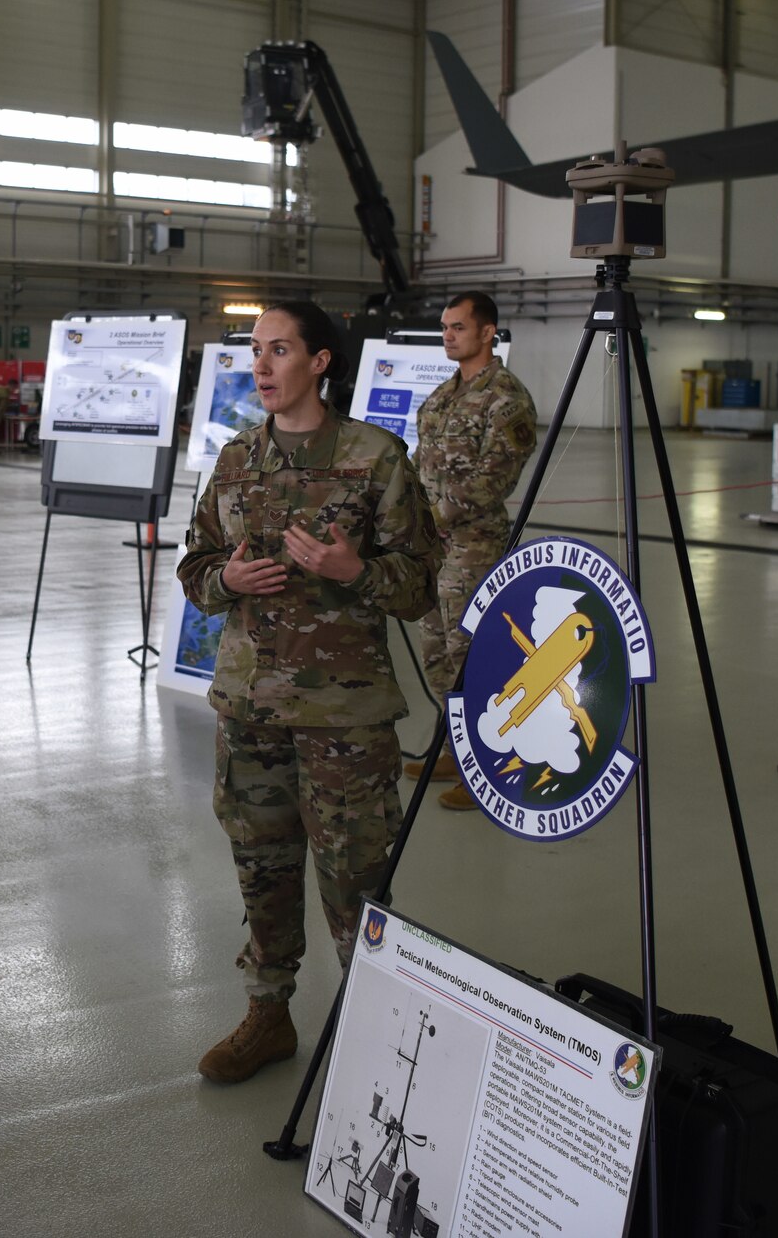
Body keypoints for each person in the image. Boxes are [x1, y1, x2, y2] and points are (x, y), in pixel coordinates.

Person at [177, 301, 440, 1083]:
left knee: (357, 878)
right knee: (261, 865)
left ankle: (380, 1038)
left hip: (344, 719)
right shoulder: (235, 460)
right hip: (250, 708)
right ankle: (268, 1012)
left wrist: (353, 572)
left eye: (279, 349)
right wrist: (225, 577)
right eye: (256, 350)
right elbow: (196, 568)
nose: (261, 366)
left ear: (320, 361)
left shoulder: (376, 458)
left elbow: (420, 586)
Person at [406, 291, 537, 810]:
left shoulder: (507, 398)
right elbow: (420, 466)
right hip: (434, 549)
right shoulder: (442, 396)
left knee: (474, 655)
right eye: (444, 327)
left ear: (488, 332)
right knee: (436, 654)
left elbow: (494, 480)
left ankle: (493, 768)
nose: (448, 335)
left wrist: (435, 519)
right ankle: (459, 752)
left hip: (473, 549)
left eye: (458, 327)